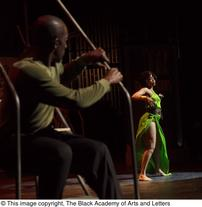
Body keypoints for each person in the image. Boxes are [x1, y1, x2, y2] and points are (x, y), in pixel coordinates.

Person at [9, 15, 123, 199]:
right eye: (65, 41)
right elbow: (76, 100)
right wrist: (106, 82)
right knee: (60, 152)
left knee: (97, 150)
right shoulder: (29, 69)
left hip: (43, 134)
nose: (67, 46)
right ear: (56, 43)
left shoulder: (49, 63)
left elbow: (60, 74)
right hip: (16, 140)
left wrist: (84, 59)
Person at [132, 70, 171, 181]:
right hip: (149, 119)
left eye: (153, 78)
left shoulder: (153, 91)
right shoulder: (145, 90)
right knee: (151, 147)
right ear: (145, 81)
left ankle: (157, 169)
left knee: (158, 146)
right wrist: (145, 98)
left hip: (155, 119)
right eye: (149, 78)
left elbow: (156, 106)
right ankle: (142, 174)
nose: (152, 80)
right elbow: (134, 96)